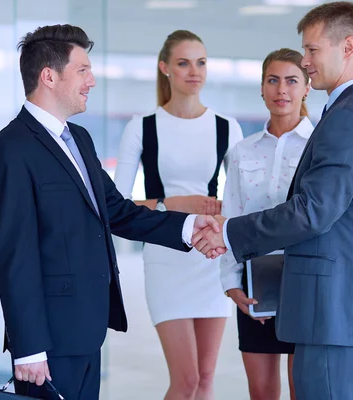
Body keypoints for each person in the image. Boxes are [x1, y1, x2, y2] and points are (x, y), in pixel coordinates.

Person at [0, 24, 221, 400]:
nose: (91, 80)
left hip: (89, 326)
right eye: (83, 70)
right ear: (48, 76)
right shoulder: (9, 150)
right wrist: (28, 346)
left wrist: (189, 227)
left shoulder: (79, 138)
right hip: (48, 338)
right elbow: (15, 256)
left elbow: (117, 211)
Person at [193, 2, 353, 398]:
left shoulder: (346, 118)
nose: (306, 62)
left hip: (334, 314)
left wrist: (228, 232)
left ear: (348, 47)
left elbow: (312, 212)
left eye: (312, 50)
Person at [113, 30, 242, 400]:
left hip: (211, 259)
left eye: (201, 62)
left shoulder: (226, 127)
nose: (194, 71)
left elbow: (238, 199)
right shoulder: (141, 126)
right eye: (183, 62)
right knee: (185, 381)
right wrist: (176, 204)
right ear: (164, 68)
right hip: (166, 261)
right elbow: (118, 208)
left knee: (205, 379)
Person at [220, 48, 313, 400]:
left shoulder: (320, 147)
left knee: (300, 390)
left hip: (304, 280)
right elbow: (230, 219)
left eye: (292, 80)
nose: (281, 90)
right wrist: (231, 285)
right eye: (272, 80)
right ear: (261, 88)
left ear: (307, 87)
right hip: (254, 281)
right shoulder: (242, 151)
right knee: (260, 392)